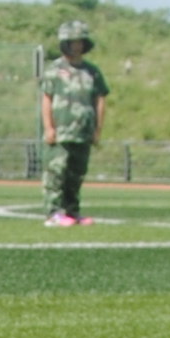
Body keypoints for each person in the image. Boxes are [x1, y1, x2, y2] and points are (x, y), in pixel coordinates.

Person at [37, 17, 105, 226]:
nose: (77, 45)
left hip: (82, 132)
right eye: (73, 41)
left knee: (76, 175)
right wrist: (49, 127)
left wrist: (97, 130)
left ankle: (72, 211)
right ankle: (53, 213)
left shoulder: (92, 71)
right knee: (56, 173)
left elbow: (100, 99)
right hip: (61, 132)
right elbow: (46, 99)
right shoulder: (54, 70)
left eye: (80, 41)